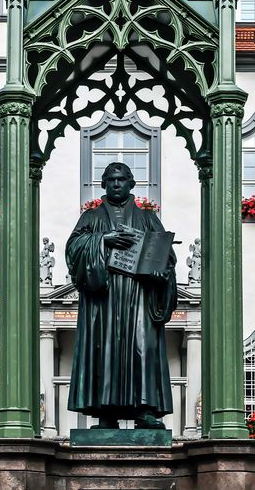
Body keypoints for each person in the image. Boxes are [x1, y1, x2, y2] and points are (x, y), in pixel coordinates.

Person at [65, 161, 177, 429]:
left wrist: (162, 272)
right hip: (103, 298)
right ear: (103, 184)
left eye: (122, 179)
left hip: (138, 294)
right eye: (111, 180)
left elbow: (166, 256)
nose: (116, 184)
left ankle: (145, 410)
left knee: (143, 348)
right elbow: (73, 249)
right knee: (104, 350)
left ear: (131, 184)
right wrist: (103, 240)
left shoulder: (148, 218)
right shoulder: (90, 218)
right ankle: (107, 412)